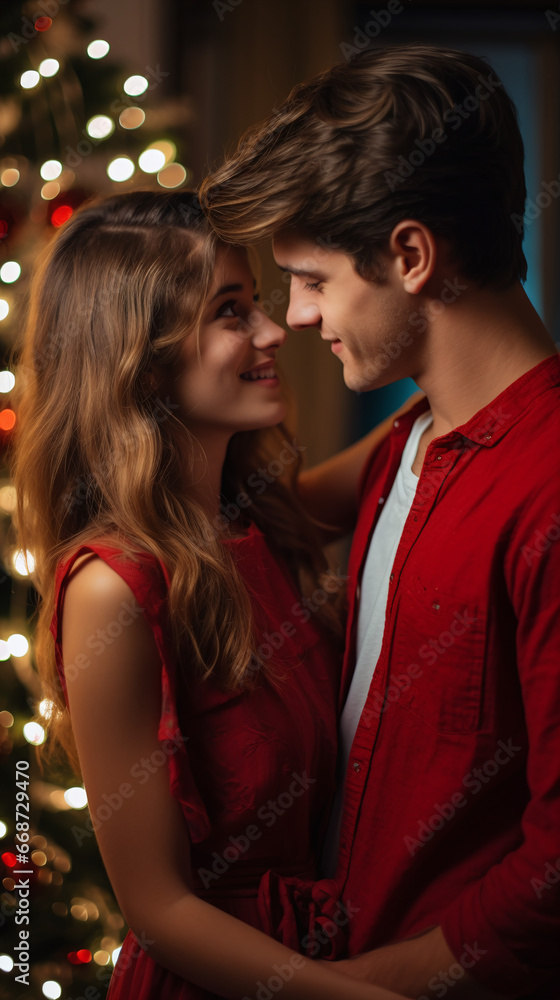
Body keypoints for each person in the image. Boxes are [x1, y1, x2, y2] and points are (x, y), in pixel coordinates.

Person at [198, 43, 560, 1000]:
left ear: (410, 255)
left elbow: (555, 874)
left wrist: (359, 986)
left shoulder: (548, 487)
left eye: (313, 280)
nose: (299, 318)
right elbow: (258, 519)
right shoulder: (409, 440)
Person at [11, 189, 411, 1000]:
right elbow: (159, 911)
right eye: (232, 312)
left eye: (254, 301)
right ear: (142, 357)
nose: (273, 332)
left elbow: (393, 451)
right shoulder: (111, 591)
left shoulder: (251, 517)